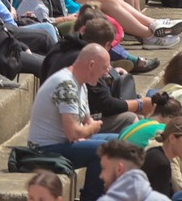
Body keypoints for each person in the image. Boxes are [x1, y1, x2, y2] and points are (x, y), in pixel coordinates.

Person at [28, 44, 124, 200]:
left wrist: (90, 128)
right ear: (91, 65)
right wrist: (91, 129)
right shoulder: (66, 85)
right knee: (101, 150)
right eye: (104, 68)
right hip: (44, 150)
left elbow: (87, 121)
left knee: (118, 142)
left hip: (63, 142)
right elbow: (74, 133)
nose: (107, 74)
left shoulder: (80, 84)